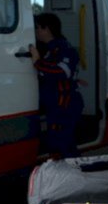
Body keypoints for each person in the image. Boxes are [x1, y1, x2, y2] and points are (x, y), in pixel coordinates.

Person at [30, 13, 83, 158]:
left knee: (63, 143)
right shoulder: (49, 49)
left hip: (65, 105)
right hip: (56, 105)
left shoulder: (63, 48)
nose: (36, 31)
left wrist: (37, 62)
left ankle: (72, 175)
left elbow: (61, 72)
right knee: (56, 142)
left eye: (38, 28)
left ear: (46, 29)